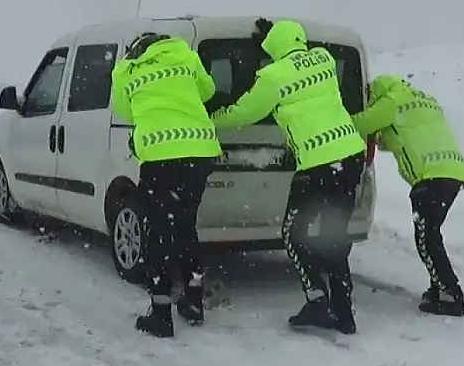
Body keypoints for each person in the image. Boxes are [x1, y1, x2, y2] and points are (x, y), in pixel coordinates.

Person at [210, 18, 367, 334]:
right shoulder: (323, 59)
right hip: (350, 158)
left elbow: (246, 112)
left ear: (274, 48)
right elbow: (298, 65)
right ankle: (343, 313)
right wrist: (276, 38)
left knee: (293, 233)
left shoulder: (272, 77)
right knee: (334, 236)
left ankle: (317, 300)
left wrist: (212, 118)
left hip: (318, 165)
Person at [110, 32, 223, 338]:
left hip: (161, 156)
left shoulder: (127, 70)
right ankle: (193, 301)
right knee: (186, 226)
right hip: (199, 154)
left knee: (159, 231)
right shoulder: (186, 56)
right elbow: (209, 91)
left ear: (136, 49)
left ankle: (161, 313)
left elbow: (124, 110)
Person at [352, 75, 464, 317]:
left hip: (430, 176)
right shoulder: (424, 99)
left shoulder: (390, 102)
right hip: (453, 172)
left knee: (427, 237)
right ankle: (439, 287)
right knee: (431, 234)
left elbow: (360, 125)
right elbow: (400, 134)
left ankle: (451, 293)